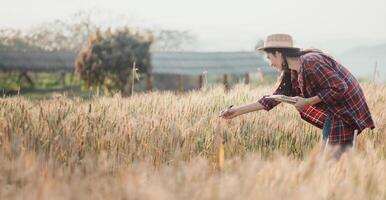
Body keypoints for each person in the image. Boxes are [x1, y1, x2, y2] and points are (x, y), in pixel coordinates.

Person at [219, 33, 375, 157]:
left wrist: (307, 102)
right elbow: (272, 99)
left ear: (279, 54)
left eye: (269, 57)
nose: (270, 63)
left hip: (345, 113)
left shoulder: (311, 62)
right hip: (334, 115)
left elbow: (339, 87)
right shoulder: (293, 72)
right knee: (327, 162)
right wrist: (237, 111)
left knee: (333, 163)